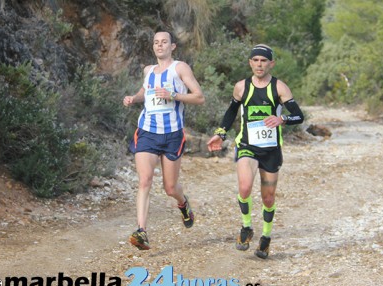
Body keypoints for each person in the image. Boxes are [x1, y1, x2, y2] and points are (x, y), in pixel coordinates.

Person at [207, 44, 304, 259]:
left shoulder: (280, 88)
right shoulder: (241, 87)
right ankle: (246, 227)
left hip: (271, 150)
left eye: (263, 60)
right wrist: (221, 133)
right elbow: (231, 111)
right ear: (250, 62)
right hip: (247, 146)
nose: (259, 64)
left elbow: (299, 115)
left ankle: (266, 238)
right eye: (255, 60)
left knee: (268, 198)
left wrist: (283, 119)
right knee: (244, 187)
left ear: (271, 63)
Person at [123, 29, 205, 250]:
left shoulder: (180, 68)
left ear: (172, 46)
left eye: (164, 42)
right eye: (156, 42)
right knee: (144, 181)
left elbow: (199, 97)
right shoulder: (148, 70)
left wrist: (174, 95)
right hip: (147, 131)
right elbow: (145, 91)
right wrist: (134, 98)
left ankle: (183, 203)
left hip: (172, 135)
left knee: (170, 188)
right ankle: (141, 231)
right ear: (153, 47)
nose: (160, 45)